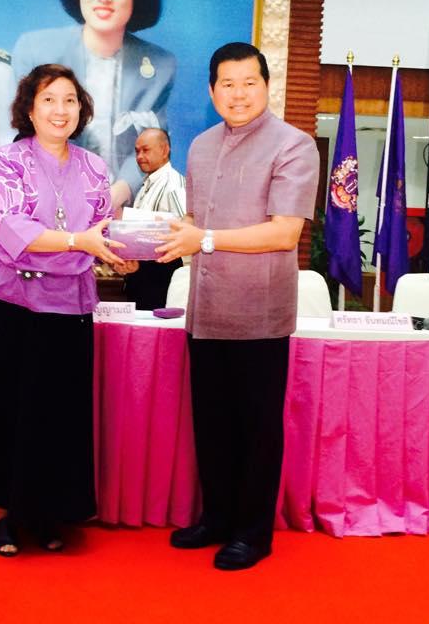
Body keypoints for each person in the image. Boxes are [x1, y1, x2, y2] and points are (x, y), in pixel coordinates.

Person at [0, 63, 125, 557]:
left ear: (81, 110)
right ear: (29, 109)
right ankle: (3, 517)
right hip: (9, 307)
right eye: (48, 100)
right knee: (3, 411)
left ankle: (48, 513)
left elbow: (103, 231)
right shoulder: (8, 160)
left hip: (68, 309)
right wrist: (77, 242)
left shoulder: (95, 169)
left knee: (56, 417)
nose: (59, 110)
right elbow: (10, 228)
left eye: (69, 100)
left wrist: (122, 251)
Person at [157, 43, 320, 570]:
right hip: (205, 311)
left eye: (249, 82)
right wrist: (162, 238)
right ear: (212, 92)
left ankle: (253, 533)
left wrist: (203, 240)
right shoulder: (201, 146)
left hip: (259, 315)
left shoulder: (294, 145)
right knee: (211, 424)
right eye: (227, 84)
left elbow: (284, 232)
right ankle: (217, 517)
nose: (239, 94)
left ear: (267, 85)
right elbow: (194, 225)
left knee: (256, 428)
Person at [13, 0, 176, 210]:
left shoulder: (159, 65)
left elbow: (151, 147)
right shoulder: (35, 51)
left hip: (123, 206)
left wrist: (115, 196)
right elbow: (21, 137)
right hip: (46, 199)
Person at [112, 127, 186, 309]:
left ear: (164, 150)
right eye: (137, 151)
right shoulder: (147, 184)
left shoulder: (173, 184)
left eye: (146, 150)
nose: (140, 157)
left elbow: (185, 229)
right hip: (141, 276)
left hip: (161, 279)